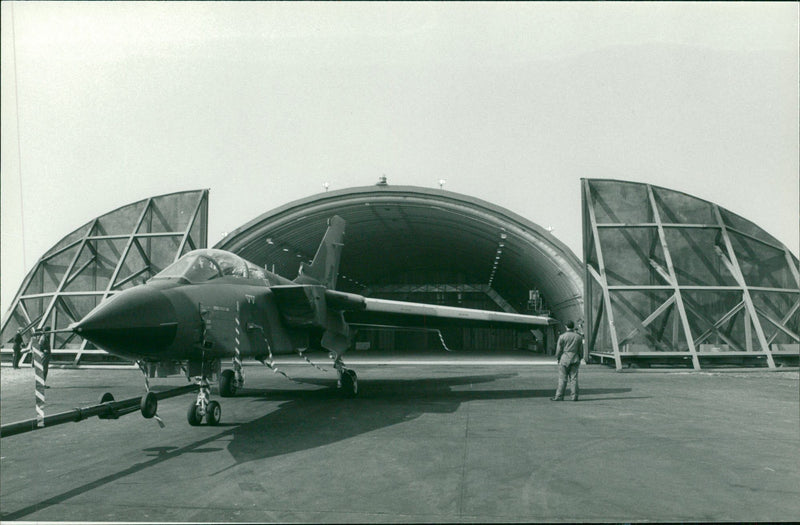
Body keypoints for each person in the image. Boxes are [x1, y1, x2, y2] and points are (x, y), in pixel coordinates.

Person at [551, 320, 584, 401]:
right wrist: (580, 357)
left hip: (564, 359)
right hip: (575, 358)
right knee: (574, 378)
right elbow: (581, 350)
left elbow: (559, 350)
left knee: (562, 378)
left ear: (566, 326)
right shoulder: (578, 337)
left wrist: (558, 357)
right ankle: (574, 396)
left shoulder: (562, 336)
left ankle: (559, 396)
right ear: (573, 326)